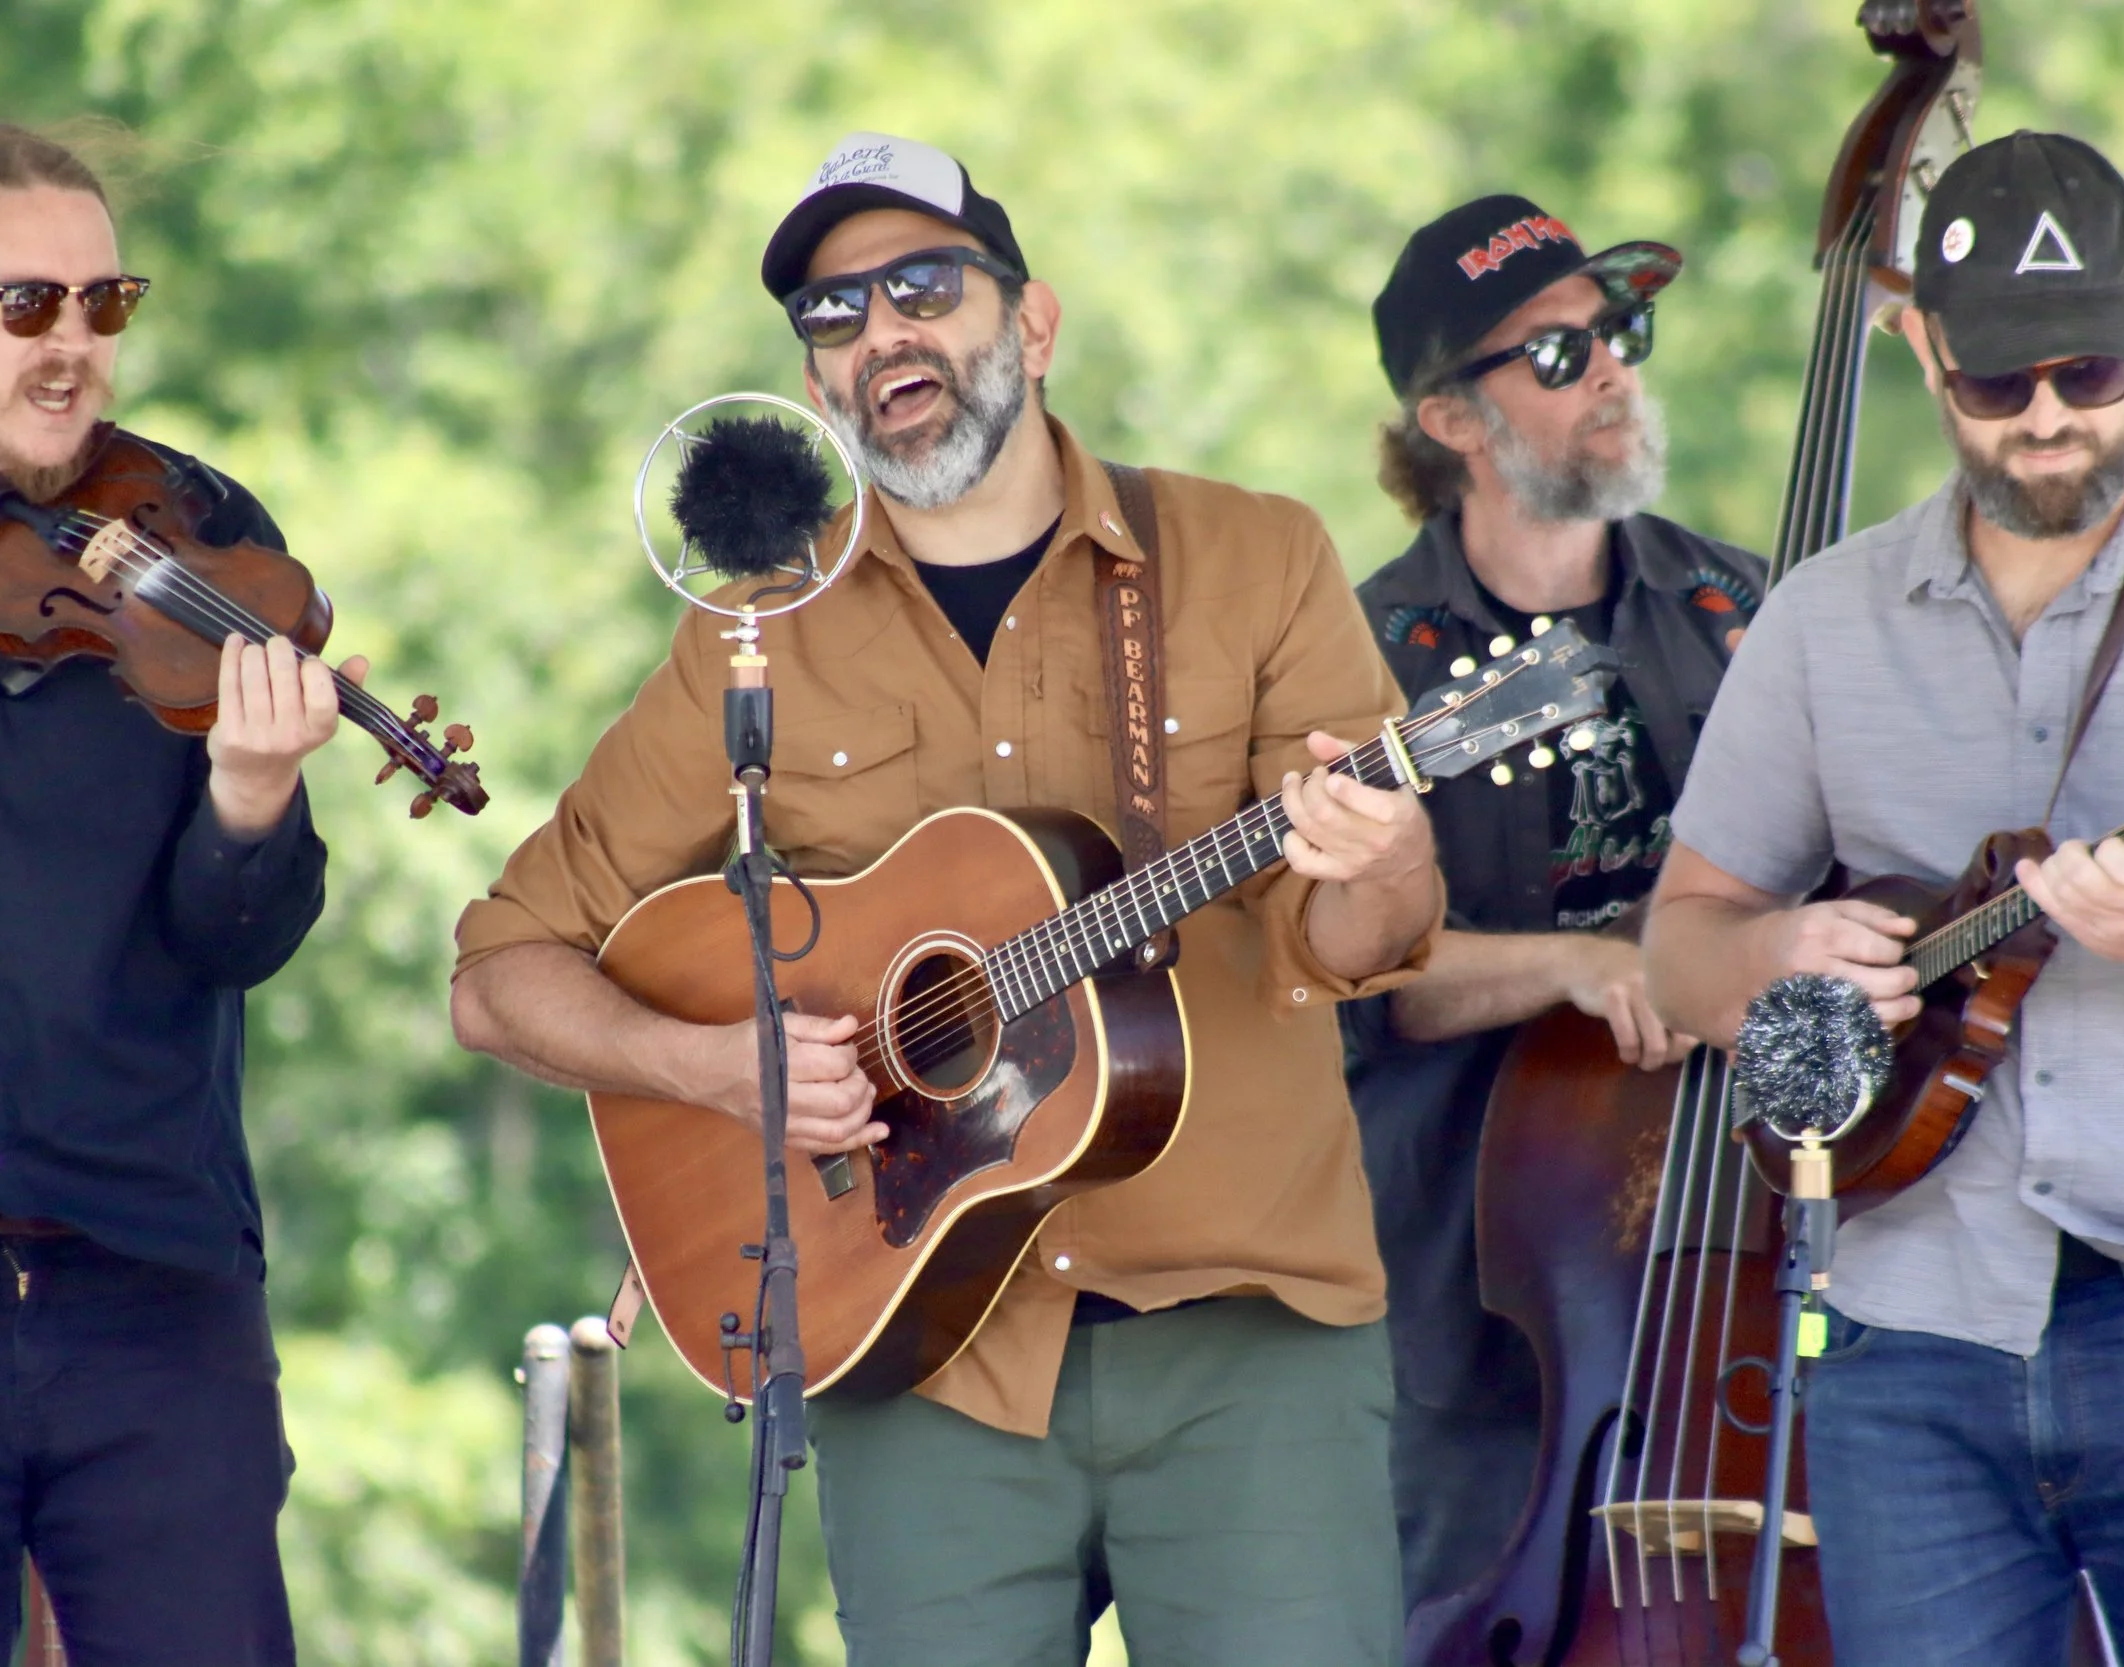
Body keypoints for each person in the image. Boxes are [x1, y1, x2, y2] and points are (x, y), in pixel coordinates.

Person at [450, 131, 1442, 1667]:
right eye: (835, 312)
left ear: (1031, 322)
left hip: (1245, 1333)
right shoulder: (754, 636)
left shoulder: (1253, 557)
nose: (881, 333)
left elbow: (1358, 946)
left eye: (924, 285)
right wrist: (714, 1065)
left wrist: (1381, 859)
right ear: (817, 378)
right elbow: (500, 967)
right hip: (916, 1350)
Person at [1643, 131, 2124, 1666]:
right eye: (1998, 379)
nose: (2047, 417)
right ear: (1921, 348)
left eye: (2091, 371)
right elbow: (1681, 946)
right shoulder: (1823, 619)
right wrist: (1777, 951)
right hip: (1908, 1330)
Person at [0, 124, 356, 1664]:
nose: (72, 343)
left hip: (151, 1299)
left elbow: (237, 939)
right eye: (26, 302)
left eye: (103, 302)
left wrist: (252, 796)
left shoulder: (203, 538)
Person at [1341, 194, 1763, 1616]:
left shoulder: (1739, 608)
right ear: (1452, 417)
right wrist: (1579, 965)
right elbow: (1361, 976)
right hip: (1468, 1295)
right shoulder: (1360, 657)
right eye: (1560, 352)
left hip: (1717, 1243)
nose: (1613, 371)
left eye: (1619, 331)